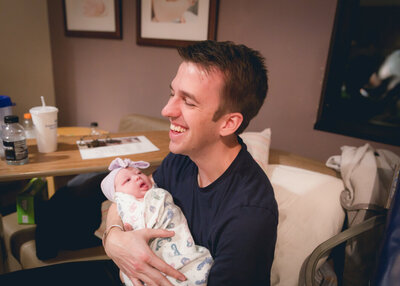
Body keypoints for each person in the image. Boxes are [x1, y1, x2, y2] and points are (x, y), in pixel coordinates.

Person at [103, 40, 278, 286]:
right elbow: (129, 196)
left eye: (189, 101)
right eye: (173, 93)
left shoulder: (249, 216)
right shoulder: (183, 157)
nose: (166, 110)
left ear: (228, 123)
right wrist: (114, 239)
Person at [100, 157, 213, 286]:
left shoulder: (156, 193)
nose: (137, 177)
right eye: (127, 180)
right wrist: (113, 235)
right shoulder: (127, 205)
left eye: (139, 173)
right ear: (119, 196)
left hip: (181, 248)